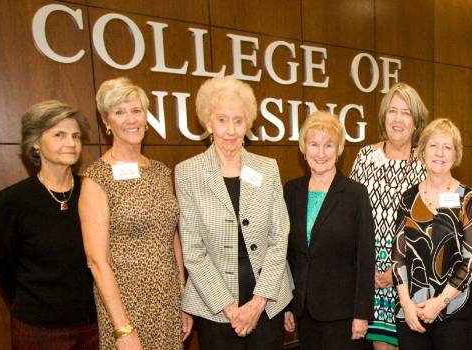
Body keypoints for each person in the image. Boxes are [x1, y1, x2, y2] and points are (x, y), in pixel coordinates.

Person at [175, 76, 292, 349]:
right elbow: (193, 251)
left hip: (267, 298)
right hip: (214, 305)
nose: (230, 130)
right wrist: (230, 309)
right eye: (222, 120)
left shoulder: (267, 168)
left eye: (238, 121)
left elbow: (279, 239)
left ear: (248, 124)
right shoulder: (188, 173)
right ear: (208, 122)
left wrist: (257, 303)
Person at [80, 78, 192, 350]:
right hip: (125, 306)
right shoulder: (97, 178)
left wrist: (183, 299)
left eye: (136, 110)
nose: (130, 119)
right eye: (119, 112)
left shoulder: (161, 171)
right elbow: (96, 261)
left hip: (167, 303)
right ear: (107, 123)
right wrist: (123, 329)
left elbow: (172, 236)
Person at [0, 101, 98, 349]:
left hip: (94, 324)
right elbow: (1, 261)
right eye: (59, 135)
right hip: (39, 328)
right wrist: (31, 301)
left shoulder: (93, 191)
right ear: (35, 143)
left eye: (75, 136)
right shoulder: (14, 200)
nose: (71, 143)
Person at [283, 111, 375, 349]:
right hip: (303, 310)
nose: (321, 153)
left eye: (328, 145)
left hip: (343, 314)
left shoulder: (356, 194)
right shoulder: (291, 191)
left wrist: (362, 313)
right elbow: (287, 255)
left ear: (339, 149)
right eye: (314, 144)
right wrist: (288, 305)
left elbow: (365, 258)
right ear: (304, 148)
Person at [349, 82, 428, 350]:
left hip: (411, 274)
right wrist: (369, 269)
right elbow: (351, 216)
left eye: (406, 113)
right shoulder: (365, 157)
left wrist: (394, 273)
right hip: (370, 273)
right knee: (381, 346)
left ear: (416, 122)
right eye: (392, 111)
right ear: (384, 117)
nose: (398, 119)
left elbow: (431, 227)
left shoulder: (427, 163)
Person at [392, 119, 472, 349]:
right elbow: (398, 257)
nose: (439, 153)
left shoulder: (467, 198)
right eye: (433, 146)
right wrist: (406, 304)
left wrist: (440, 302)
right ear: (423, 151)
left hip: (454, 313)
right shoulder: (408, 198)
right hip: (412, 312)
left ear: (455, 155)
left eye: (447, 147)